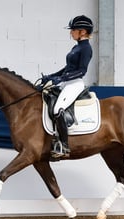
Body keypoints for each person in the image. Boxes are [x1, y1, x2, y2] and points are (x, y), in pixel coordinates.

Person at [43, 15, 93, 158]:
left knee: (58, 109)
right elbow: (68, 67)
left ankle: (64, 145)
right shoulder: (76, 47)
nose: (71, 33)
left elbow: (82, 71)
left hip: (75, 83)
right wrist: (51, 76)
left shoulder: (86, 49)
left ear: (82, 32)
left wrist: (61, 78)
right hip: (66, 82)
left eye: (73, 30)